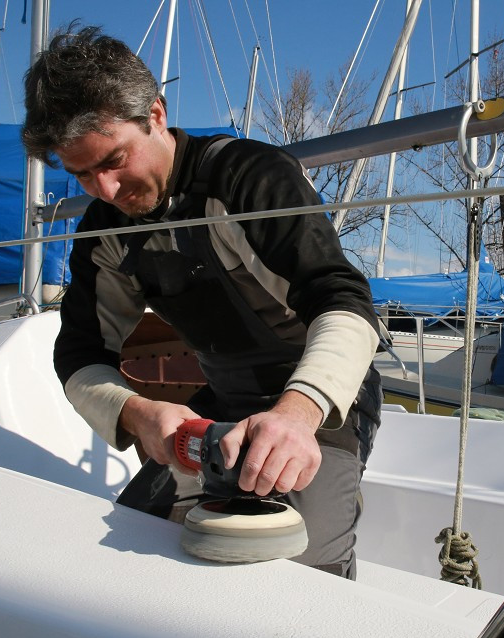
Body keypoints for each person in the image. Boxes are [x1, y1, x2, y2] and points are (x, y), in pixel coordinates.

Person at [21, 25, 382, 579]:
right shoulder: (104, 231)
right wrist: (139, 414)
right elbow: (79, 353)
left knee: (300, 566)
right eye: (82, 174)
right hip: (222, 397)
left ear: (156, 115)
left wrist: (294, 416)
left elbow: (344, 302)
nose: (106, 191)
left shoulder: (249, 179)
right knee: (134, 537)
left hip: (325, 400)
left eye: (115, 160)